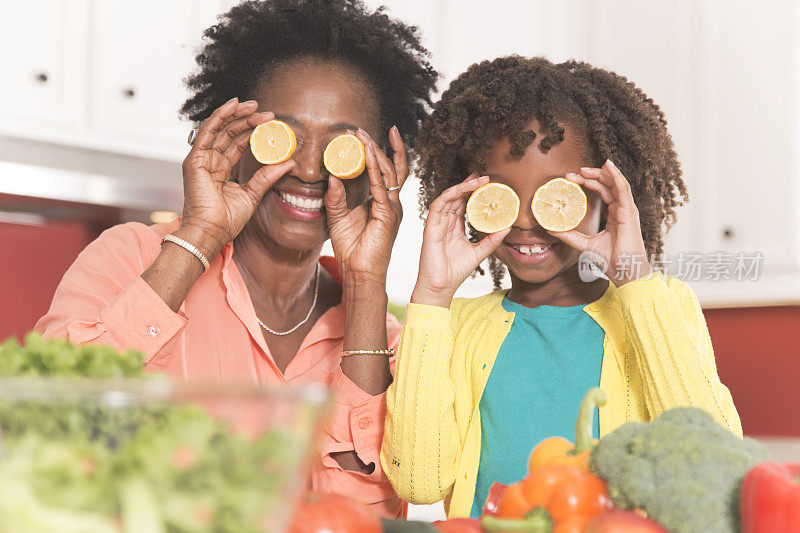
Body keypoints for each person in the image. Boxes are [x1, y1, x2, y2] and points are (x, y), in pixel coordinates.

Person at [35, 0, 437, 516]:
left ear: (381, 169)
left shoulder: (383, 343)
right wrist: (200, 235)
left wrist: (365, 285)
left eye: (342, 148)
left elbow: (364, 521)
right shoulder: (129, 257)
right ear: (235, 139)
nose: (311, 170)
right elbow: (53, 428)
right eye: (282, 138)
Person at [380, 56, 741, 518]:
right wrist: (431, 298)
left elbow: (713, 466)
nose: (527, 221)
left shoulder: (658, 308)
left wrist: (634, 276)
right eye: (503, 196)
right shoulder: (454, 326)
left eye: (557, 197)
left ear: (606, 197)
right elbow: (418, 481)